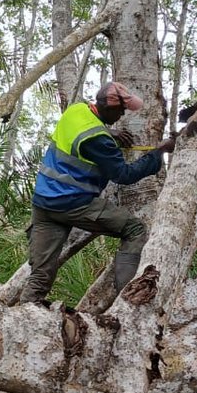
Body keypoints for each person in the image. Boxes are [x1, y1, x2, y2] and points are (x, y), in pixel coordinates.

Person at [20, 81, 176, 304]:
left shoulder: (76, 110)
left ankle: (25, 311)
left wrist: (110, 132)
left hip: (43, 203)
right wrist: (158, 152)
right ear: (109, 106)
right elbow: (124, 175)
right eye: (121, 110)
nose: (122, 115)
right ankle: (129, 301)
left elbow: (85, 131)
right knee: (134, 229)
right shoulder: (99, 140)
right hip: (72, 203)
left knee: (40, 275)